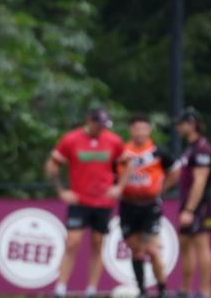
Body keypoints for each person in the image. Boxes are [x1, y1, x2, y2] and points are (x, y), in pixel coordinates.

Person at [45, 108, 126, 298]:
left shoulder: (113, 140)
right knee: (72, 242)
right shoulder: (71, 139)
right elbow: (53, 164)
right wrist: (61, 190)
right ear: (89, 120)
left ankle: (91, 290)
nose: (101, 128)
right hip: (80, 200)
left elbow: (128, 163)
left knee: (98, 243)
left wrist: (119, 187)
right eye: (98, 124)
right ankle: (60, 289)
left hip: (104, 201)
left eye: (104, 125)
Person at [118, 113, 180, 298]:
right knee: (136, 250)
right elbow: (110, 172)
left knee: (152, 249)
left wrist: (161, 189)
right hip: (128, 206)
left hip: (150, 206)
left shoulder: (157, 151)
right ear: (131, 130)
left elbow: (176, 170)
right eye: (136, 128)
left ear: (149, 130)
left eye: (143, 128)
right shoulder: (122, 152)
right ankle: (142, 291)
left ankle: (162, 290)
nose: (140, 132)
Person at [164, 107, 211, 298]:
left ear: (191, 124)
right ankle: (185, 290)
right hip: (187, 204)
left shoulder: (203, 148)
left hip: (199, 206)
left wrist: (190, 209)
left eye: (181, 124)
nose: (178, 127)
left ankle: (205, 292)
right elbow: (177, 175)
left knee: (201, 244)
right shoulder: (190, 149)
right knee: (185, 243)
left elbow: (200, 182)